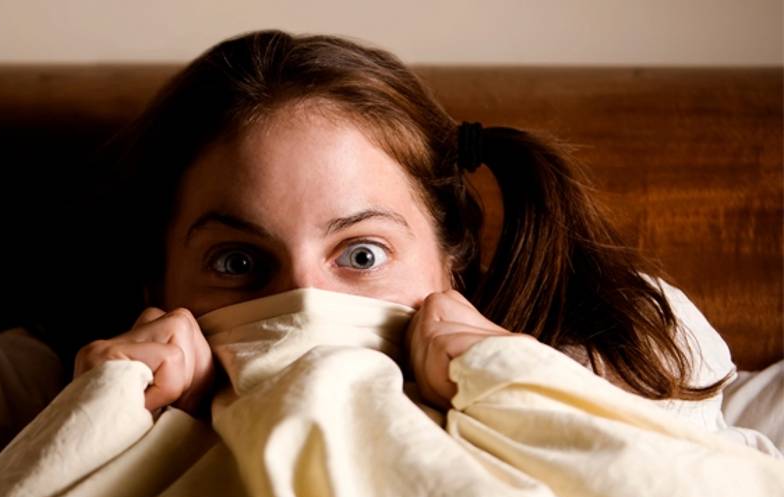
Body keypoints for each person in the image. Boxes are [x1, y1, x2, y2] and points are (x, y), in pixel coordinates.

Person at [76, 29, 728, 419]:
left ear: (452, 259)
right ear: (157, 280)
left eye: (362, 255)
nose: (304, 304)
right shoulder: (86, 387)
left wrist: (514, 386)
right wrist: (105, 414)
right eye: (237, 263)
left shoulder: (621, 357)